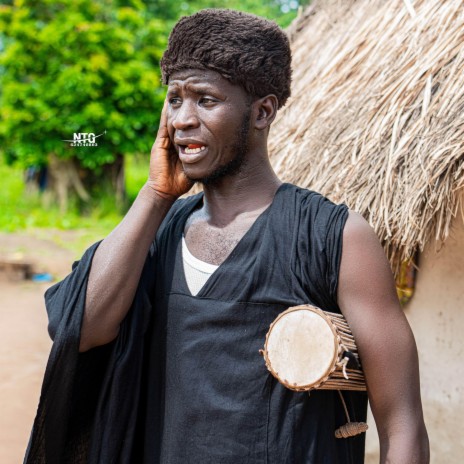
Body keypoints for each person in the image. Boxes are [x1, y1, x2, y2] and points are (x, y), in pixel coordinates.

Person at [25, 9, 429, 464]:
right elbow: (81, 329)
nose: (182, 119)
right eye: (174, 99)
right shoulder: (156, 235)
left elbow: (402, 422)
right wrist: (157, 195)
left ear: (262, 111)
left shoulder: (331, 238)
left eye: (205, 99)